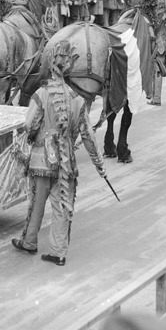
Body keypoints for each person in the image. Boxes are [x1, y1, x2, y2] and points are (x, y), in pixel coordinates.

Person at [11, 41, 107, 266]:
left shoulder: (41, 94)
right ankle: (58, 251)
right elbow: (88, 136)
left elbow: (29, 125)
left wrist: (33, 137)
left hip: (41, 160)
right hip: (66, 163)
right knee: (62, 205)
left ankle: (30, 241)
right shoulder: (78, 99)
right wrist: (99, 164)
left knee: (36, 202)